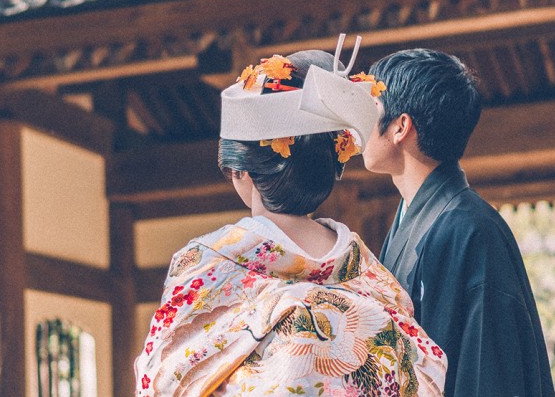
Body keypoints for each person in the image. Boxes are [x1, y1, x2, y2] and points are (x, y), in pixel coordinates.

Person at [134, 37, 447, 396]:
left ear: (242, 172)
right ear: (331, 166)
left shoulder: (206, 265)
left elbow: (160, 381)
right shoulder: (373, 278)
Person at [363, 48, 555, 396]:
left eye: (372, 109)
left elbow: (489, 373)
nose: (359, 123)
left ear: (400, 127)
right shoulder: (421, 219)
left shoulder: (471, 231)